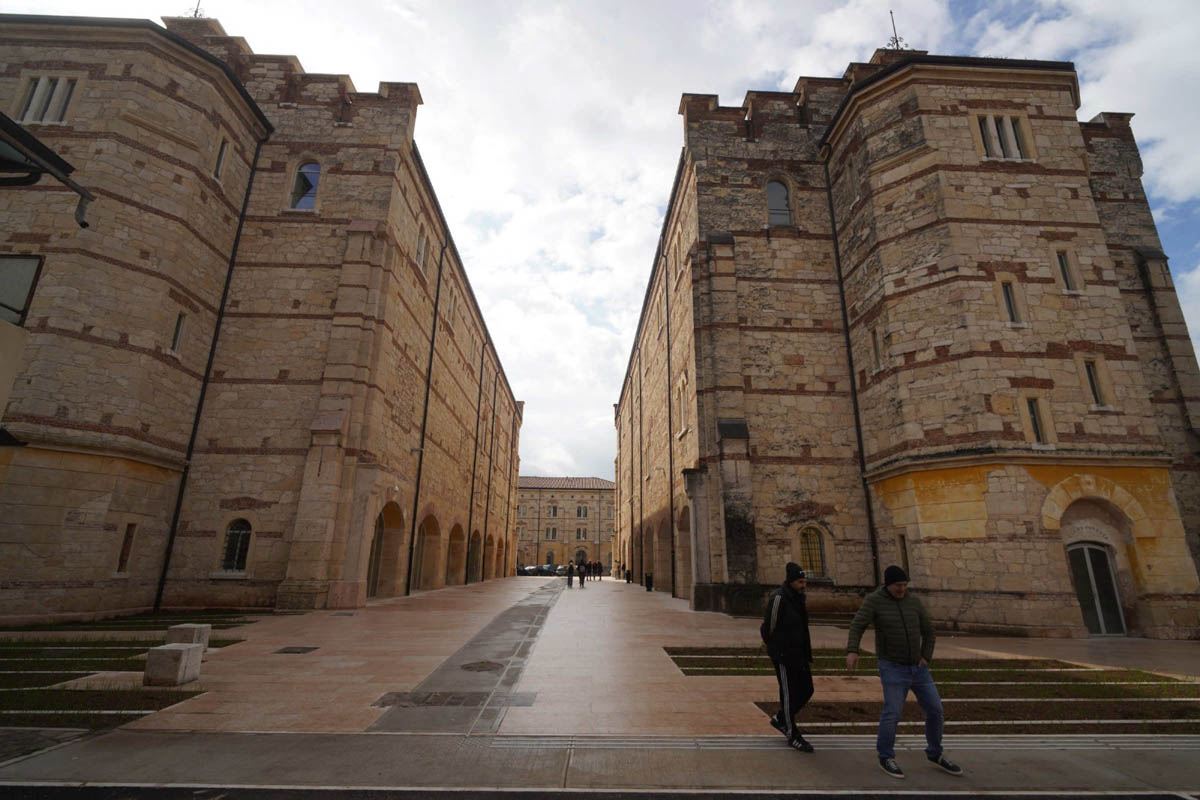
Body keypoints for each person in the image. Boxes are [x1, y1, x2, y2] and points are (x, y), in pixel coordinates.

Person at [846, 565, 963, 780]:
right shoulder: (874, 601)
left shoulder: (913, 601)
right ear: (888, 585)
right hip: (892, 667)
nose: (902, 589)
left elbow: (929, 631)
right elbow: (857, 625)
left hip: (918, 669)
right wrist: (853, 650)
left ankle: (935, 753)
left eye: (904, 585)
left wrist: (926, 655)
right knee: (892, 713)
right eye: (898, 585)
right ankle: (886, 756)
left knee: (935, 709)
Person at [761, 562, 815, 753]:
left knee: (807, 689)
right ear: (791, 581)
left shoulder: (799, 599)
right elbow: (769, 626)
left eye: (804, 581)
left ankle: (781, 719)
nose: (803, 585)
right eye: (800, 581)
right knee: (788, 692)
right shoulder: (779, 597)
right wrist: (775, 647)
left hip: (799, 653)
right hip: (783, 654)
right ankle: (792, 735)